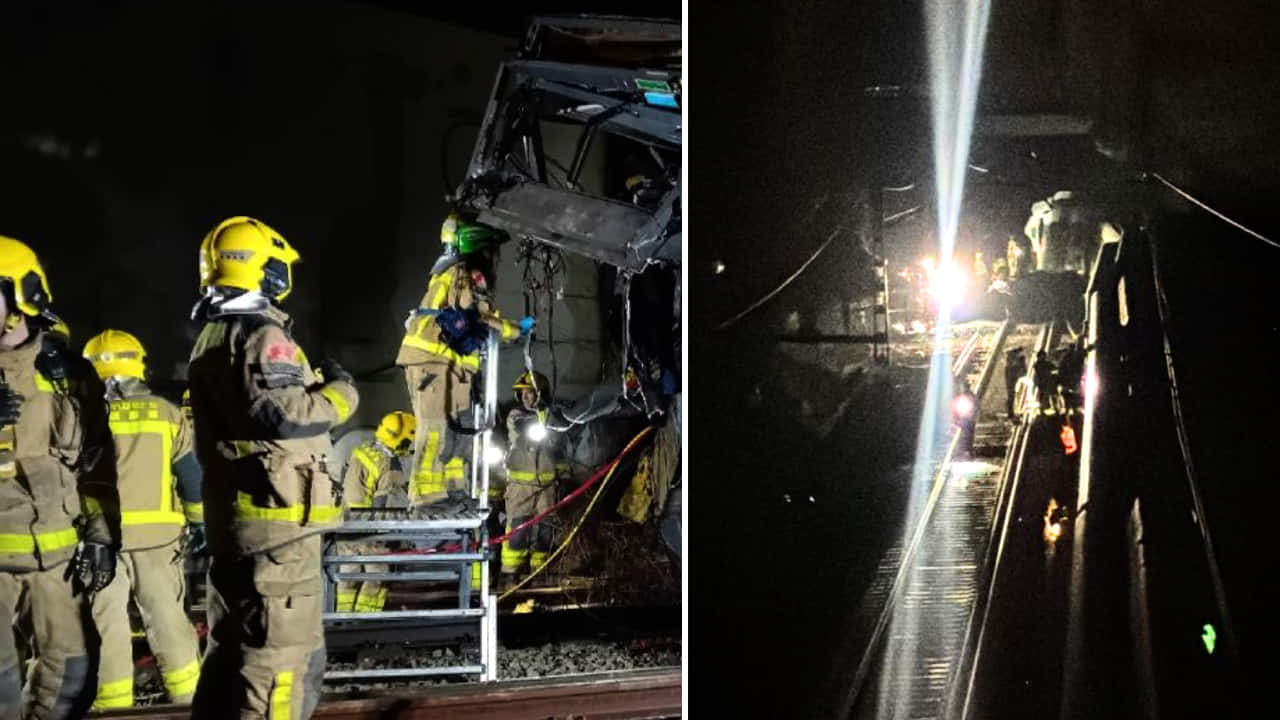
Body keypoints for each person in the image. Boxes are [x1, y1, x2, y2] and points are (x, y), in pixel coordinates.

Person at [187, 216, 359, 719]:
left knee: (230, 656)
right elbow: (285, 414)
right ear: (266, 269)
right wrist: (343, 392)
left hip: (243, 525)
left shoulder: (213, 334)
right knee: (282, 664)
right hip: (279, 531)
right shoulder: (262, 335)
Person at [0, 235, 119, 718]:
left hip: (56, 562)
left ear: (20, 298)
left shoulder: (67, 375)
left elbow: (95, 463)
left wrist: (102, 534)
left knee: (72, 677)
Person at [80, 329, 203, 708]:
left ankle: (112, 706)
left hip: (100, 540)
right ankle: (187, 702)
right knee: (167, 621)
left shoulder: (79, 414)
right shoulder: (166, 413)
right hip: (158, 540)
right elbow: (190, 477)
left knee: (106, 625)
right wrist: (201, 523)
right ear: (139, 365)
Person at [395, 212, 532, 512]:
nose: (495, 259)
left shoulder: (454, 273)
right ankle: (425, 496)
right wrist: (514, 330)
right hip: (433, 362)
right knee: (435, 428)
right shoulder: (463, 273)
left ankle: (453, 491)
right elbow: (477, 315)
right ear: (478, 247)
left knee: (456, 430)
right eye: (491, 251)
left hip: (450, 367)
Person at [336, 411, 414, 614]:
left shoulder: (361, 450)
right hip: (369, 530)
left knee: (348, 577)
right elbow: (385, 505)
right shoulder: (390, 464)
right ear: (402, 440)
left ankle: (341, 618)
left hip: (346, 525)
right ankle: (366, 619)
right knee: (377, 577)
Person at [500, 371, 569, 582]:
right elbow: (525, 426)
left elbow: (559, 451)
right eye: (522, 393)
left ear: (541, 394)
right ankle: (510, 574)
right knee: (518, 531)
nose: (525, 397)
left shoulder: (552, 418)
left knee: (545, 532)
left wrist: (564, 477)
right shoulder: (516, 415)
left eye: (530, 392)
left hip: (547, 487)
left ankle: (540, 573)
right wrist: (547, 415)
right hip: (520, 486)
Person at [953, 380, 978, 458]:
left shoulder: (970, 396)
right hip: (966, 418)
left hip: (969, 418)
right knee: (966, 435)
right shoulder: (964, 396)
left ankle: (968, 449)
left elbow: (975, 406)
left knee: (968, 435)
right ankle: (965, 449)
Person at [1005, 347, 1027, 420]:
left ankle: (1013, 412)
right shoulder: (1012, 365)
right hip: (1013, 382)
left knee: (1013, 397)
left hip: (1015, 382)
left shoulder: (1013, 364)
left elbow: (1023, 372)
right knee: (1012, 397)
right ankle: (1012, 413)